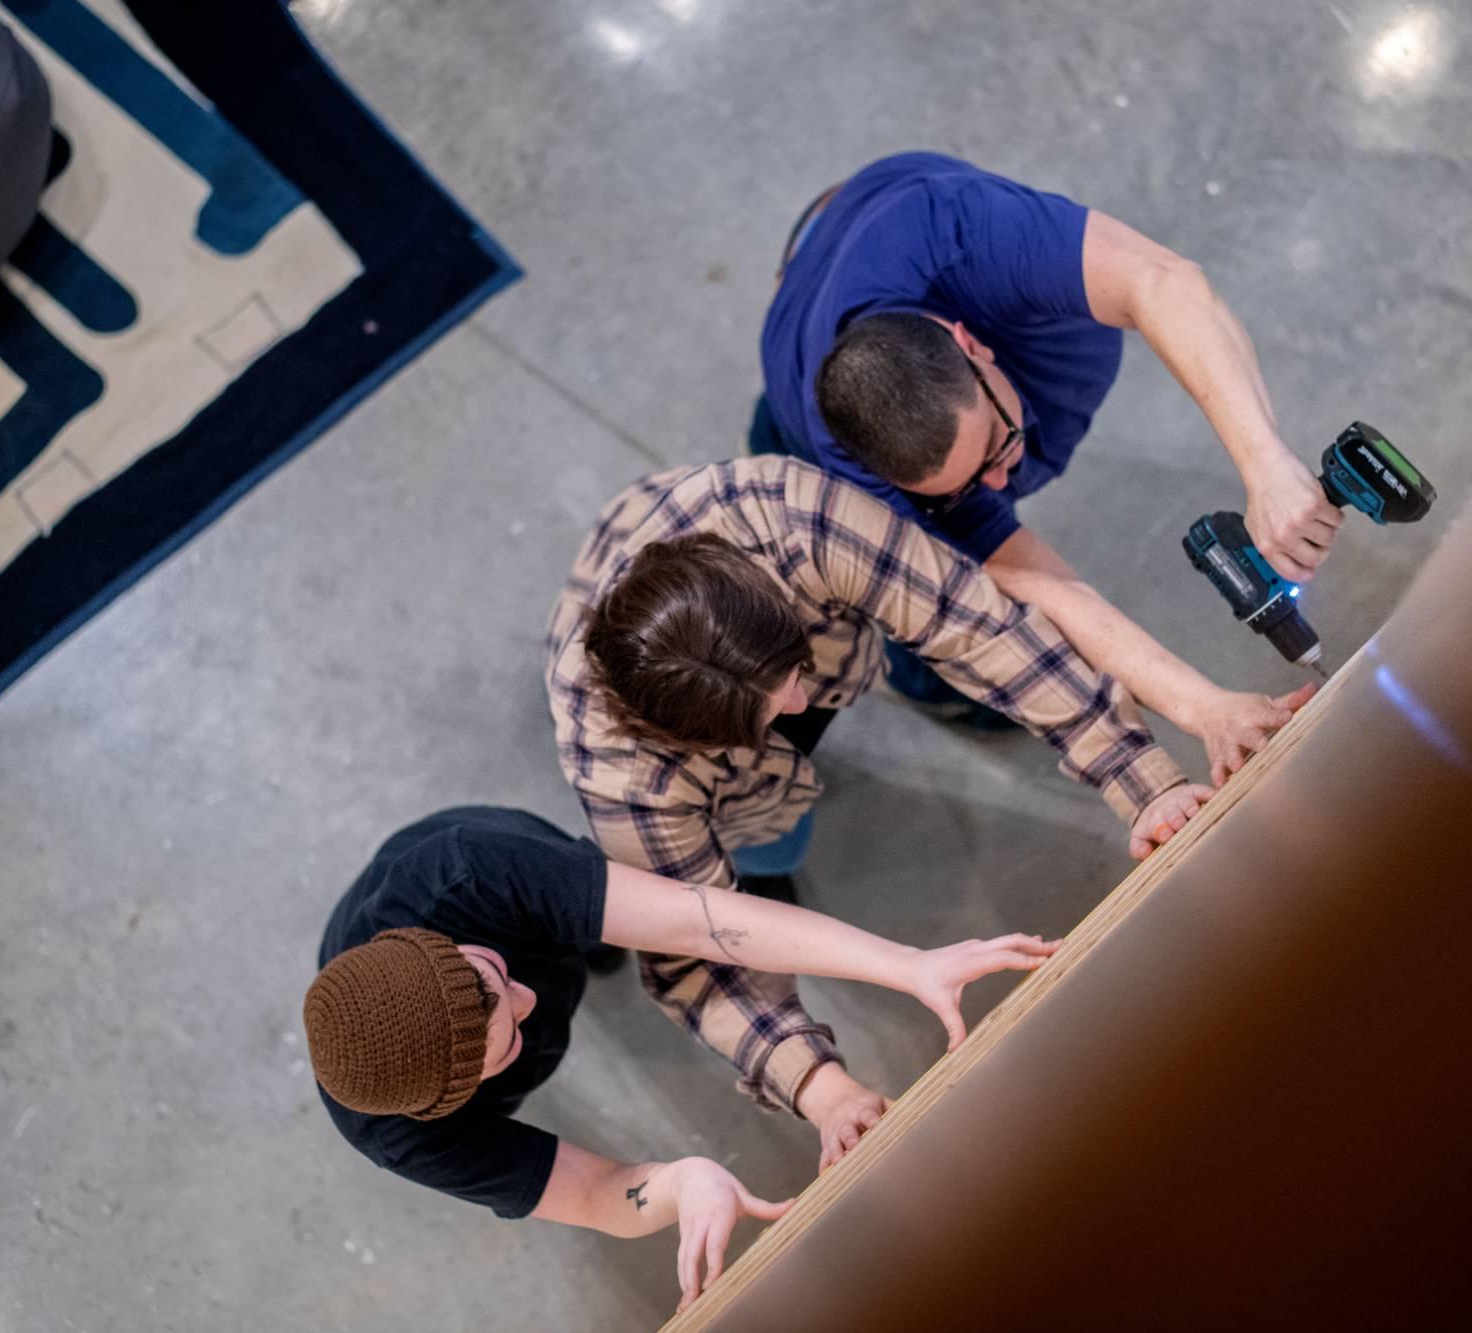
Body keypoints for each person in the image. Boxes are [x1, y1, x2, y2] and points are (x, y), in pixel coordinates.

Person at [544, 455, 1304, 1168]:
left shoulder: (792, 515)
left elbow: (978, 627)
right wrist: (820, 1086)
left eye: (796, 671)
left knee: (802, 757)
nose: (804, 701)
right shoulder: (626, 772)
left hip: (711, 614)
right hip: (696, 774)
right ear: (687, 739)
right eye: (776, 711)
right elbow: (692, 955)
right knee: (761, 852)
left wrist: (1142, 779)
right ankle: (750, 855)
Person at [304, 805, 1056, 1312]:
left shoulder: (469, 871)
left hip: (490, 864)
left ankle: (582, 932)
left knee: (598, 924)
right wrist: (678, 1183)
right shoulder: (407, 1135)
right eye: (508, 1040)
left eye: (494, 975)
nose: (529, 1001)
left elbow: (702, 924)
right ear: (459, 1096)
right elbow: (598, 1193)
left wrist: (906, 963)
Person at [757, 151, 1325, 776]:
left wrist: (1267, 464)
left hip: (856, 212)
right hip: (797, 342)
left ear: (969, 340)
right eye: (967, 488)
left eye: (998, 446)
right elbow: (1034, 580)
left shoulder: (965, 236)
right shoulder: (852, 462)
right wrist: (1206, 710)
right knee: (929, 592)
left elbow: (1166, 281)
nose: (1001, 484)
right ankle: (925, 685)